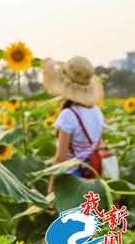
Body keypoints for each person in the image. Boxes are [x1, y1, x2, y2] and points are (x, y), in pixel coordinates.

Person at [41, 56, 105, 195]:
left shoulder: (68, 115)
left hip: (71, 179)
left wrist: (51, 189)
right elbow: (98, 145)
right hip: (91, 177)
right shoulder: (97, 111)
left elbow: (61, 158)